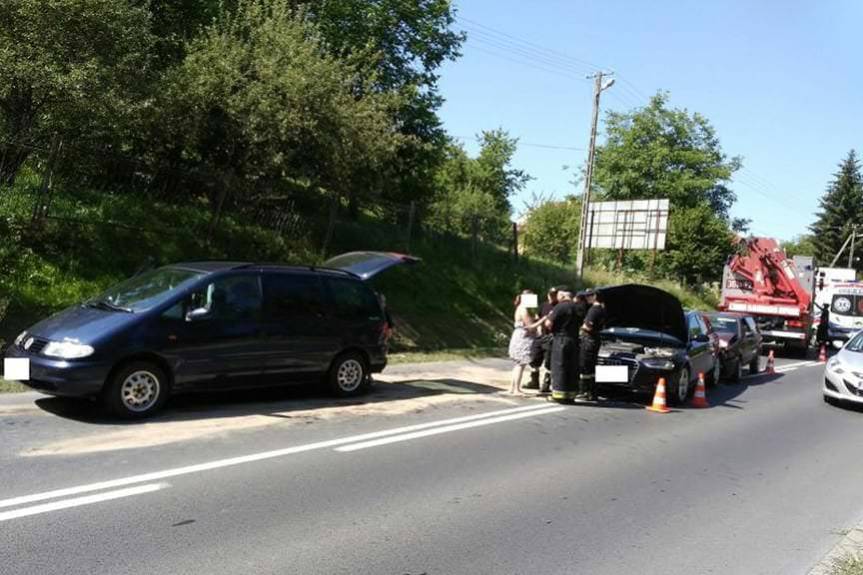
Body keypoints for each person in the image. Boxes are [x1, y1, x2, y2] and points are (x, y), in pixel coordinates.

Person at [546, 287, 584, 403]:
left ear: (562, 296)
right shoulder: (578, 308)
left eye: (558, 295)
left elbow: (548, 324)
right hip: (574, 340)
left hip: (561, 339)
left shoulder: (560, 307)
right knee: (572, 367)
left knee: (559, 366)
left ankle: (558, 394)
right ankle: (570, 395)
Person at [507, 290, 546, 395]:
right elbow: (530, 327)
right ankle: (516, 389)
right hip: (523, 338)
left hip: (520, 336)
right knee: (521, 364)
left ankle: (512, 388)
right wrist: (543, 319)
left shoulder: (521, 308)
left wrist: (535, 319)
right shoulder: (523, 309)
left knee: (518, 364)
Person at [526, 287, 558, 392]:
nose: (551, 297)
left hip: (551, 336)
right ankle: (534, 381)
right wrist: (539, 328)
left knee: (548, 361)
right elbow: (537, 316)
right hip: (540, 336)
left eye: (554, 295)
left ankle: (546, 383)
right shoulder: (544, 305)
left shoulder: (558, 307)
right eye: (550, 294)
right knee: (534, 358)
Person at [579, 288, 607, 402]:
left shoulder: (593, 310)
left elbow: (588, 327)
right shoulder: (602, 308)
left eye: (589, 296)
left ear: (594, 296)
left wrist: (580, 327)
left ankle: (585, 392)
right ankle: (592, 392)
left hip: (589, 340)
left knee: (585, 366)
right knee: (592, 366)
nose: (586, 298)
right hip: (595, 340)